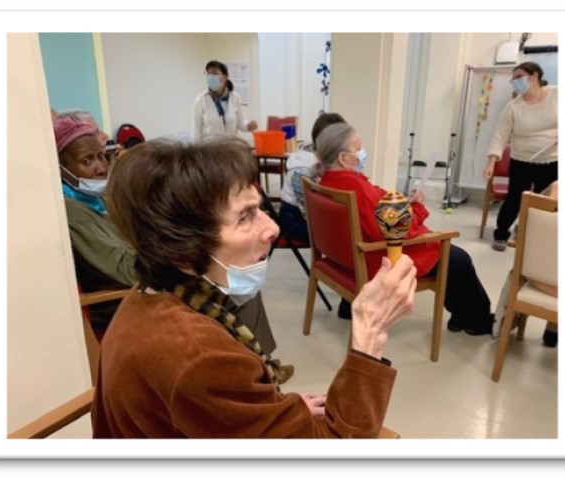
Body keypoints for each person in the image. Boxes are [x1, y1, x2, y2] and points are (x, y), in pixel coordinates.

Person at [91, 136, 417, 438]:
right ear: (182, 251)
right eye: (245, 217)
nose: (272, 227)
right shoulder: (199, 359)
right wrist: (369, 334)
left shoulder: (153, 292)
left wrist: (269, 411)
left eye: (258, 208)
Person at [52, 117, 293, 382]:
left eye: (101, 156)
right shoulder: (73, 210)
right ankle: (257, 372)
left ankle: (261, 365)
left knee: (239, 279)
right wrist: (174, 245)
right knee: (235, 285)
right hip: (120, 295)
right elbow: (123, 267)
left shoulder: (97, 199)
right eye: (87, 161)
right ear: (62, 168)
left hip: (149, 278)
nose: (100, 168)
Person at [315, 122, 495, 336]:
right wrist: (417, 207)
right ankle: (479, 321)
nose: (362, 153)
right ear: (343, 158)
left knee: (451, 259)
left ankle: (462, 316)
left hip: (344, 258)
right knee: (456, 259)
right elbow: (398, 231)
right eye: (358, 147)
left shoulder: (325, 182)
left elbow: (374, 210)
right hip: (375, 258)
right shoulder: (356, 189)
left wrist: (400, 202)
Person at [484, 61, 558, 252]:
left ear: (534, 77)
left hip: (552, 160)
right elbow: (500, 135)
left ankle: (534, 238)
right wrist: (491, 162)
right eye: (513, 78)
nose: (515, 81)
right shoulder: (513, 107)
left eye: (519, 77)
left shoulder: (557, 95)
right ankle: (501, 234)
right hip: (522, 160)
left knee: (545, 201)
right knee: (514, 199)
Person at [492, 181, 558, 347]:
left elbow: (519, 233)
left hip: (537, 279)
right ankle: (553, 328)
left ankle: (552, 328)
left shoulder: (554, 190)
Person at [279, 112, 347, 244]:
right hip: (295, 220)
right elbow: (308, 211)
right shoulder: (302, 170)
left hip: (311, 214)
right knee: (345, 235)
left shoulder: (324, 156)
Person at [191, 60, 258, 143]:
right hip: (209, 150)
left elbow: (239, 122)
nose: (211, 77)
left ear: (224, 78)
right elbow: (196, 131)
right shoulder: (201, 99)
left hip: (231, 149)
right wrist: (197, 153)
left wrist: (248, 126)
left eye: (214, 73)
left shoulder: (235, 98)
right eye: (208, 74)